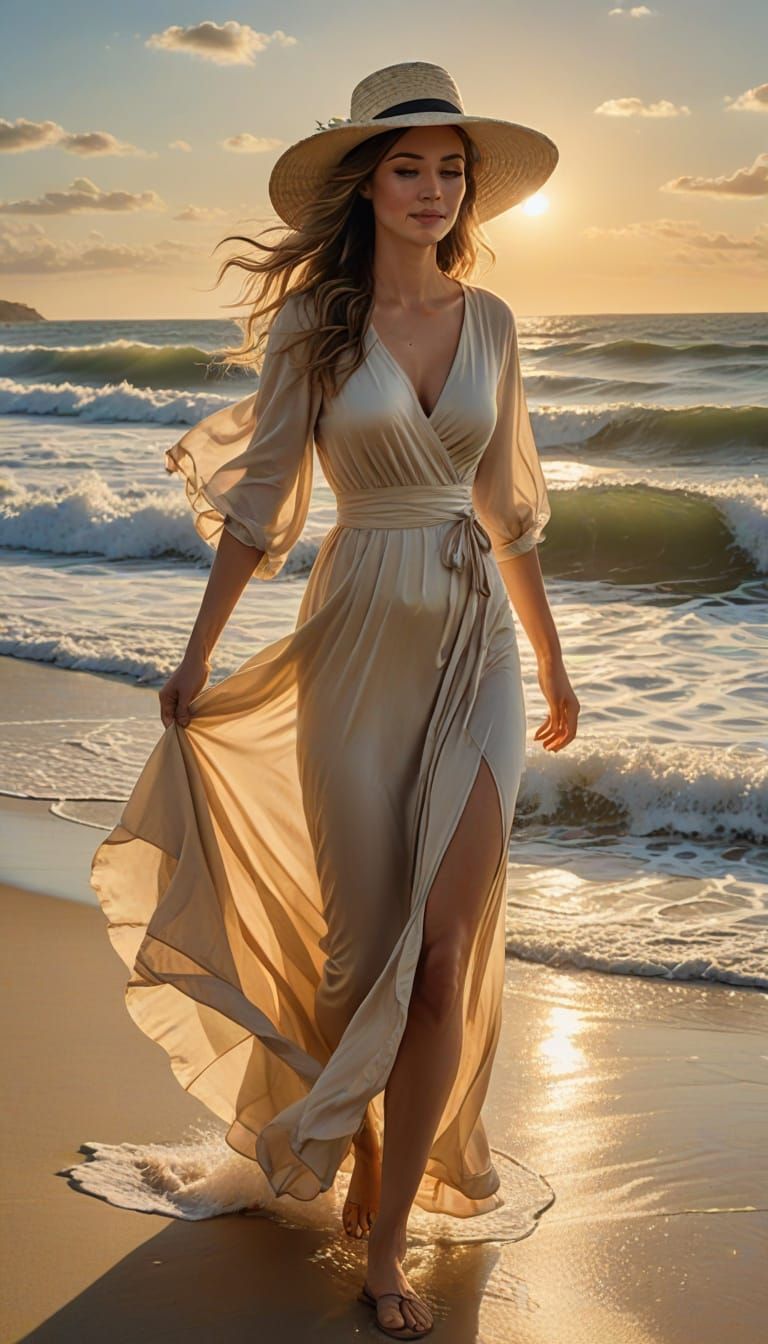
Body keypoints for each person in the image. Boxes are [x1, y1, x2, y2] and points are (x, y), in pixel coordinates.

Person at [90, 60, 579, 1340]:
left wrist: (556, 660)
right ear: (366, 183)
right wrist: (198, 655)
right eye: (410, 166)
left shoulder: (495, 321)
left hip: (475, 649)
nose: (434, 188)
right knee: (370, 950)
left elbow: (509, 509)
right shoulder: (319, 328)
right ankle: (357, 1139)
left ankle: (391, 1238)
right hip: (355, 642)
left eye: (452, 168)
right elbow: (260, 510)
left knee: (447, 951)